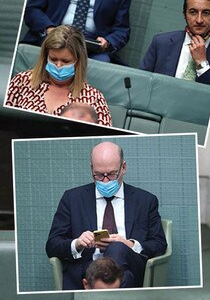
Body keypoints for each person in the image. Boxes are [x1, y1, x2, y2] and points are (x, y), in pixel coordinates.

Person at [45, 141, 167, 290]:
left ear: (123, 168)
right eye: (98, 175)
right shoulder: (72, 199)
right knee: (126, 278)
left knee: (118, 248)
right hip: (88, 269)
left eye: (111, 174)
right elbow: (52, 245)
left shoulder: (145, 201)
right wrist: (77, 243)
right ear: (91, 169)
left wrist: (130, 245)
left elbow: (159, 244)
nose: (105, 180)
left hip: (130, 263)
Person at [6, 25, 112, 126]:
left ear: (78, 62)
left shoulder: (94, 98)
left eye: (66, 61)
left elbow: (102, 138)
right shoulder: (22, 81)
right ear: (45, 57)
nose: (58, 65)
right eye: (53, 59)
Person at [139, 0, 210, 86]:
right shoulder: (161, 43)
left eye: (206, 13)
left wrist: (201, 63)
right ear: (184, 14)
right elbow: (142, 82)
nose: (199, 20)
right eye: (193, 12)